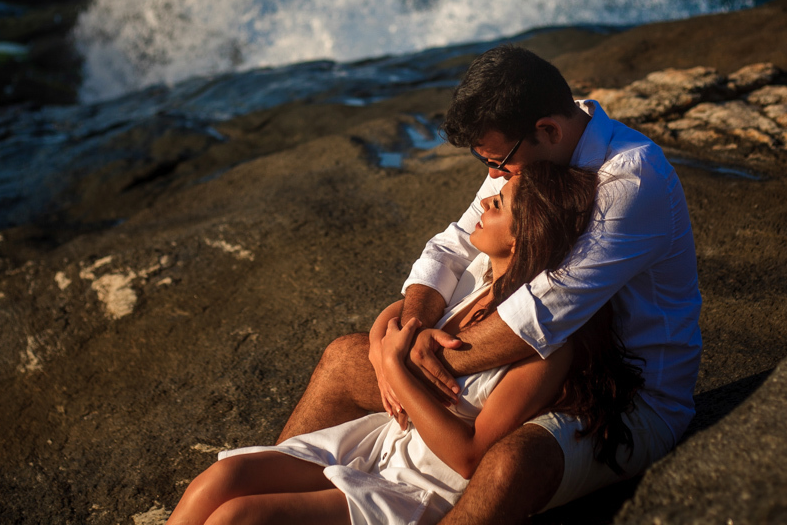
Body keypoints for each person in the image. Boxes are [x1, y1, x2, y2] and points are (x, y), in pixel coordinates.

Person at [276, 44, 702, 523]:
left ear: (548, 131)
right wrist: (411, 329)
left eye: (499, 164)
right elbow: (450, 247)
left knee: (509, 464)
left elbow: (540, 316)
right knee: (342, 361)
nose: (493, 179)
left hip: (618, 397)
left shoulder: (631, 180)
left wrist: (410, 355)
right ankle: (265, 497)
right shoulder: (528, 159)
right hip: (502, 373)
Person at [165, 162, 645, 525]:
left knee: (241, 517)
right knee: (221, 480)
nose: (486, 201)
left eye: (501, 204)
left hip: (420, 486)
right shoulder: (475, 283)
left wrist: (395, 369)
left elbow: (470, 457)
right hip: (383, 445)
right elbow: (392, 320)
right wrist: (382, 348)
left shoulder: (549, 347)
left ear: (521, 241)